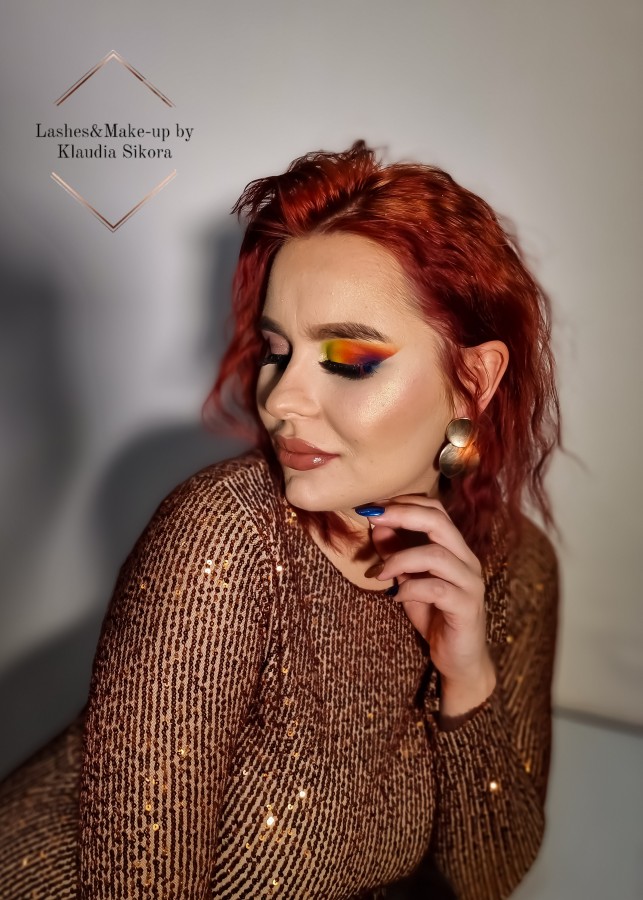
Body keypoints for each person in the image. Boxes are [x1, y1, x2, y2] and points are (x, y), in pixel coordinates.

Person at [0, 140, 560, 899]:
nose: (281, 400)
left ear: (474, 378)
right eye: (276, 350)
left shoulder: (514, 565)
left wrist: (467, 678)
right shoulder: (224, 538)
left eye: (349, 358)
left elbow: (487, 877)